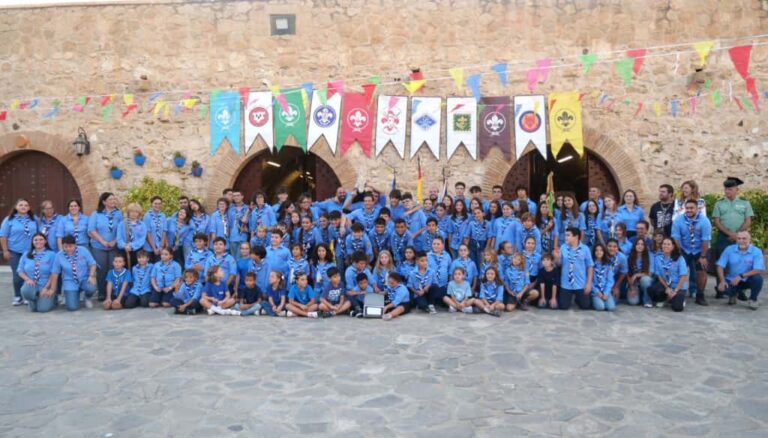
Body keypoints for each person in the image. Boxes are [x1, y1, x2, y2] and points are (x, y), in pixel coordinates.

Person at [672, 199, 712, 306]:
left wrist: (703, 256)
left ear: (697, 209)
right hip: (684, 248)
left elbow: (705, 240)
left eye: (691, 208)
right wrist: (680, 253)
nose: (689, 210)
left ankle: (700, 295)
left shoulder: (704, 221)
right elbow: (676, 238)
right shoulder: (678, 220)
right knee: (677, 268)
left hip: (700, 249)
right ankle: (677, 291)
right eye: (687, 208)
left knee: (702, 270)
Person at [712, 177, 754, 274]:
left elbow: (748, 221)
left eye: (730, 189)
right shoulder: (719, 204)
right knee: (721, 262)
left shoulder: (745, 203)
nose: (727, 191)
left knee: (741, 262)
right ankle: (721, 286)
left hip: (742, 237)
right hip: (723, 237)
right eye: (726, 189)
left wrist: (737, 235)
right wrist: (730, 234)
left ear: (737, 190)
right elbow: (717, 222)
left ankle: (739, 286)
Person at [1, 198, 38, 306]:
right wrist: (5, 250)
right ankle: (18, 296)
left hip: (30, 252)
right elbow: (3, 236)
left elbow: (40, 233)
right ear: (16, 207)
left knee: (30, 274)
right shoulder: (9, 220)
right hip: (15, 251)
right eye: (21, 205)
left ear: (29, 208)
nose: (23, 207)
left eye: (26, 205)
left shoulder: (34, 219)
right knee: (18, 275)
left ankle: (27, 295)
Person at [88, 192, 123, 301]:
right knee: (102, 270)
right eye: (110, 199)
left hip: (114, 246)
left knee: (113, 268)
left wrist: (114, 241)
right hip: (99, 246)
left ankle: (113, 292)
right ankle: (102, 292)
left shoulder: (118, 214)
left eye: (114, 199)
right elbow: (91, 230)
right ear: (104, 202)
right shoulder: (96, 214)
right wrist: (103, 241)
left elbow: (122, 229)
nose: (113, 201)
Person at [716, 231, 764, 309]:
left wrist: (741, 276)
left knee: (758, 279)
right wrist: (722, 281)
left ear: (750, 240)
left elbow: (758, 269)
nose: (741, 241)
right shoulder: (729, 249)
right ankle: (733, 294)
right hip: (732, 279)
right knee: (721, 288)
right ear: (736, 240)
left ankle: (753, 299)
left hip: (748, 279)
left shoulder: (756, 251)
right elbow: (720, 266)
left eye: (744, 238)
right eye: (739, 238)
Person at [51, 234, 98, 311]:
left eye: (71, 246)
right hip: (70, 281)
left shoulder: (83, 250)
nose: (68, 249)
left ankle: (87, 297)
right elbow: (55, 273)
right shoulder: (59, 256)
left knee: (91, 287)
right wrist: (53, 289)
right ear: (62, 246)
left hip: (84, 278)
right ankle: (74, 294)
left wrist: (91, 276)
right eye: (66, 246)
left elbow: (92, 264)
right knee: (71, 307)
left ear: (75, 245)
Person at [556, 227, 594, 310]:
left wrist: (588, 284)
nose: (565, 237)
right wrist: (557, 257)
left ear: (576, 237)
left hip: (580, 284)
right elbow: (559, 264)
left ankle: (577, 298)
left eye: (568, 235)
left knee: (585, 306)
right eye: (565, 235)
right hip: (566, 284)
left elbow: (590, 267)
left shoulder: (585, 249)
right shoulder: (563, 247)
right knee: (563, 306)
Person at [18, 233, 57, 313]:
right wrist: (27, 279)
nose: (38, 241)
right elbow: (20, 271)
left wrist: (46, 288)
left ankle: (52, 298)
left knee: (42, 309)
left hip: (46, 284)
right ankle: (34, 298)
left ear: (45, 241)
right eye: (35, 240)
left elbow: (53, 274)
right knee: (25, 291)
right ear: (32, 242)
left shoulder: (52, 254)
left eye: (41, 239)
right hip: (32, 284)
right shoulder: (26, 254)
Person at [649, 238, 688, 311]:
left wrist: (675, 291)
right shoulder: (658, 258)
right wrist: (667, 288)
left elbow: (683, 276)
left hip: (678, 286)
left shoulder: (680, 258)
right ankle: (664, 299)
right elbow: (659, 275)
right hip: (666, 285)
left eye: (668, 244)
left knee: (677, 308)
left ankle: (675, 299)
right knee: (652, 289)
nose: (666, 246)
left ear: (673, 246)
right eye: (664, 244)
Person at [117, 203, 147, 268]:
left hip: (137, 251)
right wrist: (124, 245)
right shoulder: (122, 224)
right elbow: (119, 238)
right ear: (128, 212)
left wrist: (131, 245)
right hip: (124, 250)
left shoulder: (142, 225)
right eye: (132, 211)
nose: (134, 214)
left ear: (139, 213)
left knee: (136, 269)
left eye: (136, 212)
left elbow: (142, 239)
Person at [627, 238, 654, 308]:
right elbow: (627, 274)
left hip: (645, 282)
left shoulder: (650, 255)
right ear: (634, 246)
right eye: (638, 244)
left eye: (642, 244)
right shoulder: (630, 256)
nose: (640, 246)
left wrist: (636, 275)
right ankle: (640, 294)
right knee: (633, 302)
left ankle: (647, 300)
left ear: (645, 246)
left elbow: (650, 273)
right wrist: (631, 287)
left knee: (645, 280)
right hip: (634, 283)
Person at [591, 244, 616, 311]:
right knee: (601, 307)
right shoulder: (591, 264)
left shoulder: (607, 265)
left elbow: (610, 281)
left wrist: (606, 293)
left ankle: (604, 299)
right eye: (597, 250)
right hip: (595, 292)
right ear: (594, 252)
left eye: (601, 250)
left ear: (604, 252)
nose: (599, 252)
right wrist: (596, 291)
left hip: (605, 290)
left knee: (611, 307)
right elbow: (589, 281)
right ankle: (594, 301)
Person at [143, 196, 167, 262]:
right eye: (155, 203)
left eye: (159, 204)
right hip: (149, 247)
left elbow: (164, 232)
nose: (157, 205)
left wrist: (161, 246)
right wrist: (154, 248)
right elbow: (147, 233)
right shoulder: (147, 216)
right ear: (151, 204)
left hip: (160, 247)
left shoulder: (163, 216)